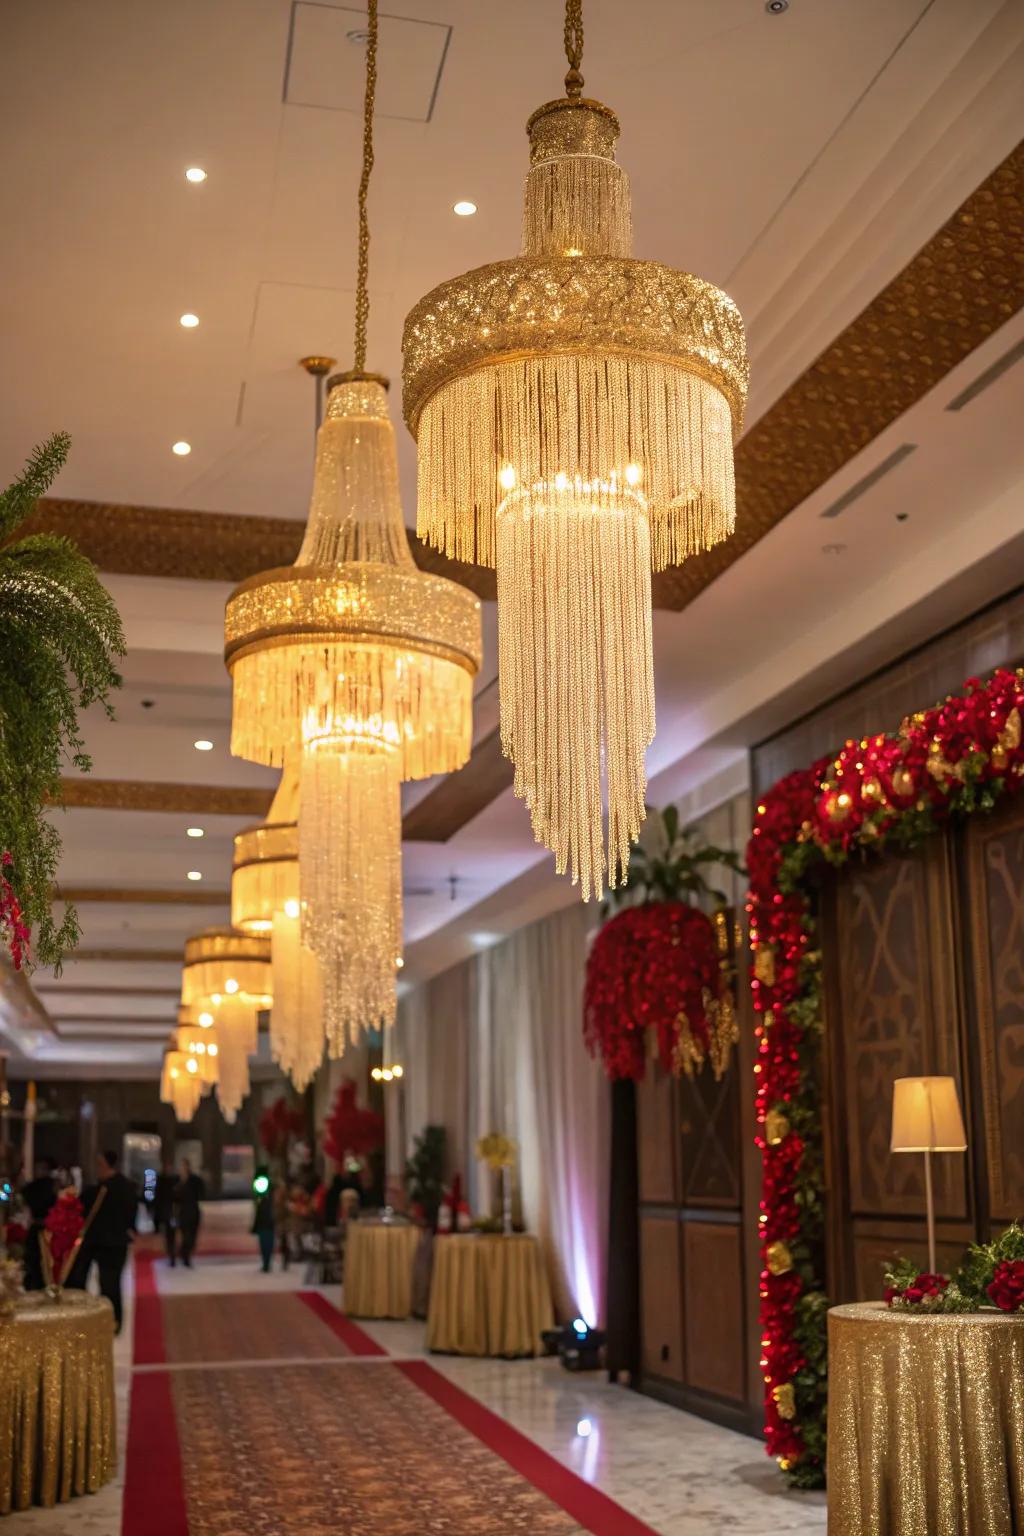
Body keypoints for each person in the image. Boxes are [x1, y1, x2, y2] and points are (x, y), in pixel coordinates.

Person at [67, 1149, 137, 1331]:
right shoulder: (124, 1187)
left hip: (105, 1243)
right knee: (110, 1284)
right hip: (111, 1242)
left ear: (104, 1164)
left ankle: (107, 1321)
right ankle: (113, 1322)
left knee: (107, 1284)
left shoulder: (103, 1189)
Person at [20, 1157, 56, 1291]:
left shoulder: (39, 1187)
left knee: (37, 1261)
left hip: (43, 1229)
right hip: (47, 1228)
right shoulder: (52, 1186)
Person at [174, 1159, 205, 1268]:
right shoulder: (177, 1180)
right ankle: (185, 1256)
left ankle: (185, 1252)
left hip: (193, 1210)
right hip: (182, 1212)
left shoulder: (195, 1180)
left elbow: (201, 1193)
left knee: (192, 1236)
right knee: (185, 1235)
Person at [152, 1158, 178, 1265]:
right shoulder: (160, 1180)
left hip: (172, 1211)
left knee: (171, 1233)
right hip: (166, 1211)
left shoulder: (175, 1180)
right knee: (169, 1233)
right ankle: (171, 1252)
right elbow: (157, 1196)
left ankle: (172, 1253)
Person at [252, 1167, 275, 1272]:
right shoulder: (270, 1183)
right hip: (269, 1217)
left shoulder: (261, 1182)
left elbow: (259, 1196)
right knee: (268, 1241)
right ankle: (267, 1262)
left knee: (264, 1241)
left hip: (263, 1217)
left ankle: (266, 1263)